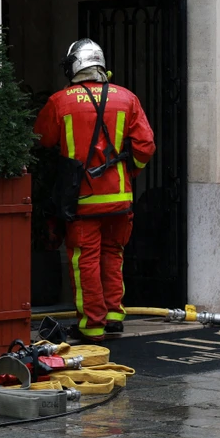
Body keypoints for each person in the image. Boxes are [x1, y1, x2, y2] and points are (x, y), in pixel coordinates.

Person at [34, 39, 155, 343]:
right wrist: (129, 173)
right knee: (113, 254)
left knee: (84, 260)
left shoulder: (60, 101)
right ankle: (114, 317)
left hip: (82, 199)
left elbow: (43, 141)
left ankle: (91, 325)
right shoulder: (127, 98)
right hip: (120, 198)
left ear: (74, 65)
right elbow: (145, 146)